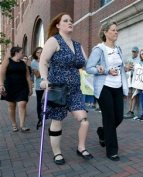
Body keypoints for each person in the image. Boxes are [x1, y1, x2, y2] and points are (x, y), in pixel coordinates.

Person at [39, 13, 93, 165]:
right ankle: (57, 153)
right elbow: (43, 61)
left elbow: (87, 65)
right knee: (57, 121)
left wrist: (100, 67)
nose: (70, 23)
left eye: (71, 21)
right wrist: (44, 79)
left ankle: (81, 148)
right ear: (58, 25)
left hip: (75, 90)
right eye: (66, 21)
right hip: (58, 90)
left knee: (84, 120)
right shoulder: (54, 41)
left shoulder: (77, 45)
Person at [86, 21, 128, 161]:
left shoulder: (118, 49)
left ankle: (102, 132)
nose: (116, 32)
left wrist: (126, 68)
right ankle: (112, 150)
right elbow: (89, 67)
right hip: (104, 88)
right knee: (109, 118)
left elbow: (120, 68)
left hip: (118, 87)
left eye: (117, 30)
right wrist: (104, 70)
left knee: (119, 117)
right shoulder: (99, 49)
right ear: (105, 33)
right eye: (113, 30)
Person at [0, 47, 32, 132]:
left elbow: (28, 76)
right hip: (10, 86)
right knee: (12, 106)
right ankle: (14, 124)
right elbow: (2, 72)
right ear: (16, 52)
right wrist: (1, 84)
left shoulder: (23, 63)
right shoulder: (7, 60)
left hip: (22, 87)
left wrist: (30, 87)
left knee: (22, 104)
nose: (23, 53)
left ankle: (22, 125)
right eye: (22, 52)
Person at [123, 46, 140, 119]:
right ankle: (129, 110)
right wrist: (127, 67)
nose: (133, 53)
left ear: (137, 52)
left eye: (135, 52)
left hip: (135, 79)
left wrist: (135, 68)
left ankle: (132, 111)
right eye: (133, 51)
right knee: (129, 95)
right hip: (129, 79)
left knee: (134, 95)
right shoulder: (129, 59)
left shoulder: (139, 60)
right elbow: (125, 68)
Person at [31, 47, 44, 129]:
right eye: (38, 52)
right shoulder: (34, 62)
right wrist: (43, 66)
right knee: (39, 103)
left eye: (42, 52)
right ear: (35, 54)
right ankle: (40, 119)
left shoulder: (48, 61)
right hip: (39, 85)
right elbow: (37, 75)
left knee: (49, 102)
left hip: (48, 85)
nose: (40, 54)